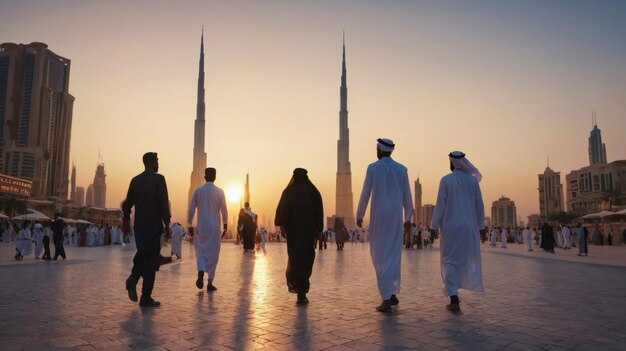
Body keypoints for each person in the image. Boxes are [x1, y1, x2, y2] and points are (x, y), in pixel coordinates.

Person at [356, 138, 413, 312]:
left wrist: (359, 214)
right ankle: (392, 292)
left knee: (380, 255)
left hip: (379, 217)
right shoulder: (402, 169)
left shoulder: (373, 168)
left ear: (380, 149)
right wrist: (408, 218)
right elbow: (407, 196)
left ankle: (387, 298)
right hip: (396, 218)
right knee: (394, 254)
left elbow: (366, 192)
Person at [430, 151, 485, 312]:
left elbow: (440, 204)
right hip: (469, 227)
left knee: (449, 261)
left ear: (452, 163)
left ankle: (454, 297)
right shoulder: (473, 182)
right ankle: (456, 290)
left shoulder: (446, 180)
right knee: (462, 259)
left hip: (451, 227)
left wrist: (433, 226)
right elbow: (479, 205)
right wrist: (481, 226)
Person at [122, 152, 171, 308]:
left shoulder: (135, 181)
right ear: (152, 163)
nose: (158, 165)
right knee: (151, 260)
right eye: (157, 161)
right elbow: (163, 202)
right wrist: (167, 224)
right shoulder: (159, 179)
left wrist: (125, 220)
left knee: (143, 253)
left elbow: (127, 204)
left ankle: (133, 278)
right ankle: (145, 296)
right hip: (154, 225)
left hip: (140, 226)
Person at [275, 168, 323, 305]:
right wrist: (318, 229)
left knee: (295, 259)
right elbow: (319, 212)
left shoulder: (288, 192)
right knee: (307, 259)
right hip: (308, 233)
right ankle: (302, 291)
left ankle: (299, 289)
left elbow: (281, 211)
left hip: (293, 233)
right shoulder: (313, 192)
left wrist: (283, 226)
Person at [188, 167, 228, 292]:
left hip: (202, 226)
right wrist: (225, 224)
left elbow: (191, 209)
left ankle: (200, 272)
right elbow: (224, 210)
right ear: (215, 177)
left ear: (205, 177)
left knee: (201, 251)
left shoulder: (198, 191)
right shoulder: (220, 192)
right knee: (213, 254)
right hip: (215, 227)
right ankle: (210, 282)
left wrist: (189, 223)